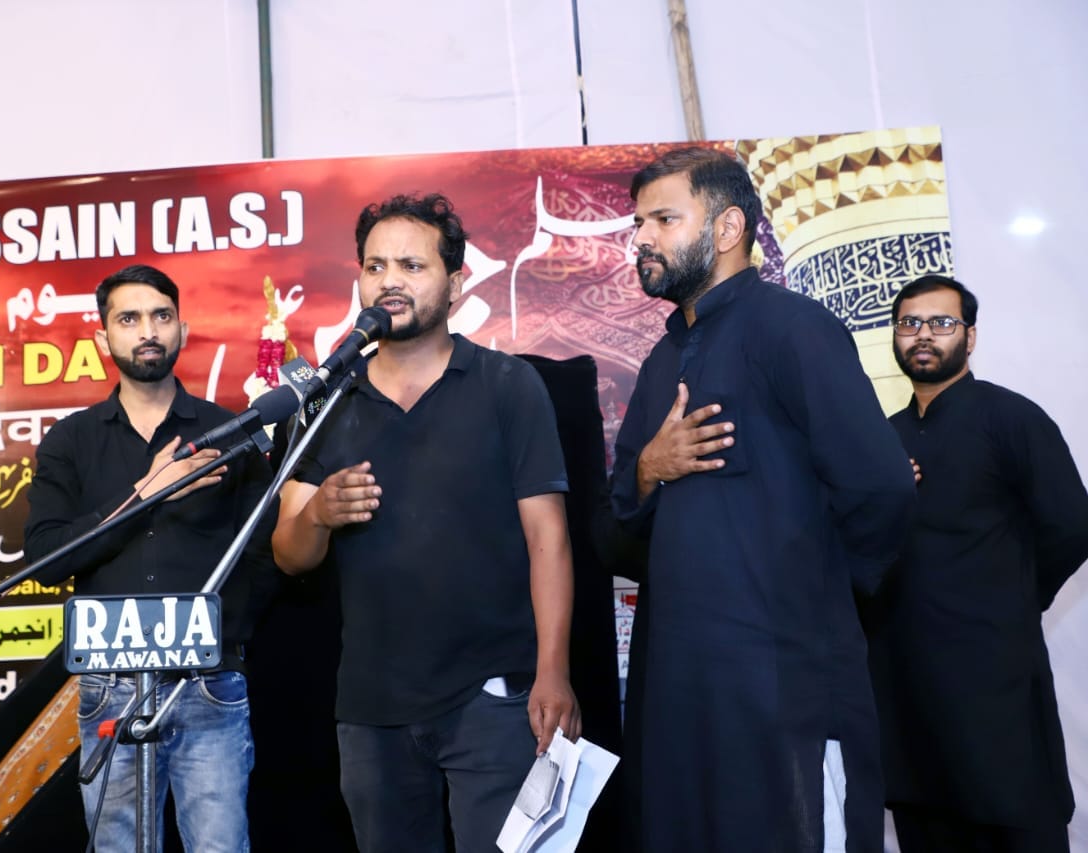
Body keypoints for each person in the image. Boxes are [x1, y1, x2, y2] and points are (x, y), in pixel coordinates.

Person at [609, 147, 915, 852]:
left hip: (788, 684)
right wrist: (651, 467)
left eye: (663, 219)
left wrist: (817, 594)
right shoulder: (661, 360)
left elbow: (881, 486)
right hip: (683, 689)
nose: (642, 238)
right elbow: (617, 516)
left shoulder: (793, 327)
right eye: (638, 223)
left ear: (727, 228)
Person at [271, 192, 581, 853]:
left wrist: (553, 670)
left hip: (496, 697)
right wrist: (318, 513)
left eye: (412, 266)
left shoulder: (506, 385)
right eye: (376, 266)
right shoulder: (326, 403)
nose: (391, 281)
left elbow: (548, 539)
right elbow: (289, 554)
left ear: (455, 282)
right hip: (371, 708)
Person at [24, 263, 279, 852]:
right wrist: (147, 492)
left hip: (209, 684)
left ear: (182, 330)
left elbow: (264, 553)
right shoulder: (71, 441)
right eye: (129, 318)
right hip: (109, 687)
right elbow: (45, 558)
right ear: (103, 338)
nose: (147, 331)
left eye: (161, 316)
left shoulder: (229, 432)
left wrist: (226, 637)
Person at [862, 274, 1088, 853]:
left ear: (970, 336)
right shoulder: (881, 440)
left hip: (994, 678)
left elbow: (1072, 525)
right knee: (927, 826)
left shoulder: (1011, 418)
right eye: (910, 323)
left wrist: (1013, 597)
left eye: (941, 323)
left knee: (1016, 821)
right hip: (906, 684)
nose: (924, 335)